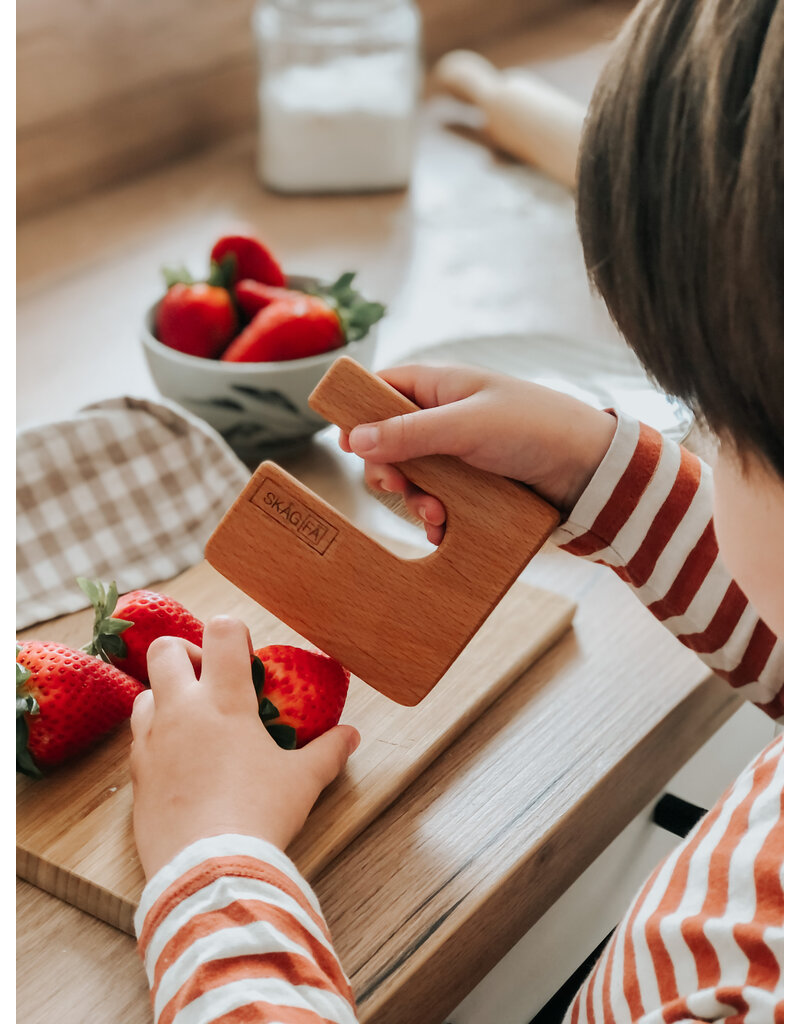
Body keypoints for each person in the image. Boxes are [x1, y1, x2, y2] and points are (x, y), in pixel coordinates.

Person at [130, 0, 784, 1020]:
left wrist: (212, 862)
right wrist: (589, 469)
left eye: (721, 421)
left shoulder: (748, 969)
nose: (707, 440)